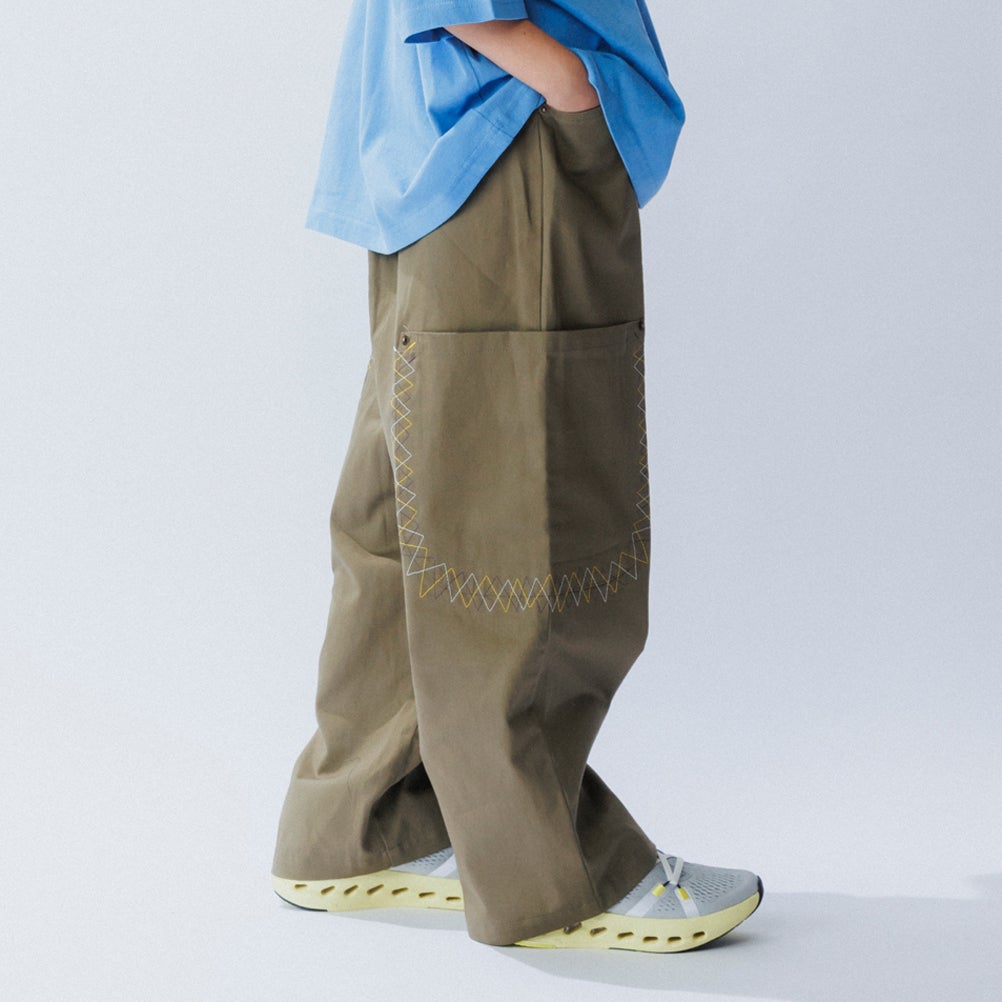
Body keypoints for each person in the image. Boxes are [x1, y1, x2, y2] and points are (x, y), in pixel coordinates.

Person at [271, 0, 763, 952]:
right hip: (505, 143)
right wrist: (571, 87)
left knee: (408, 513)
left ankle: (362, 824)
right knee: (517, 513)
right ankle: (553, 876)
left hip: (440, 154)